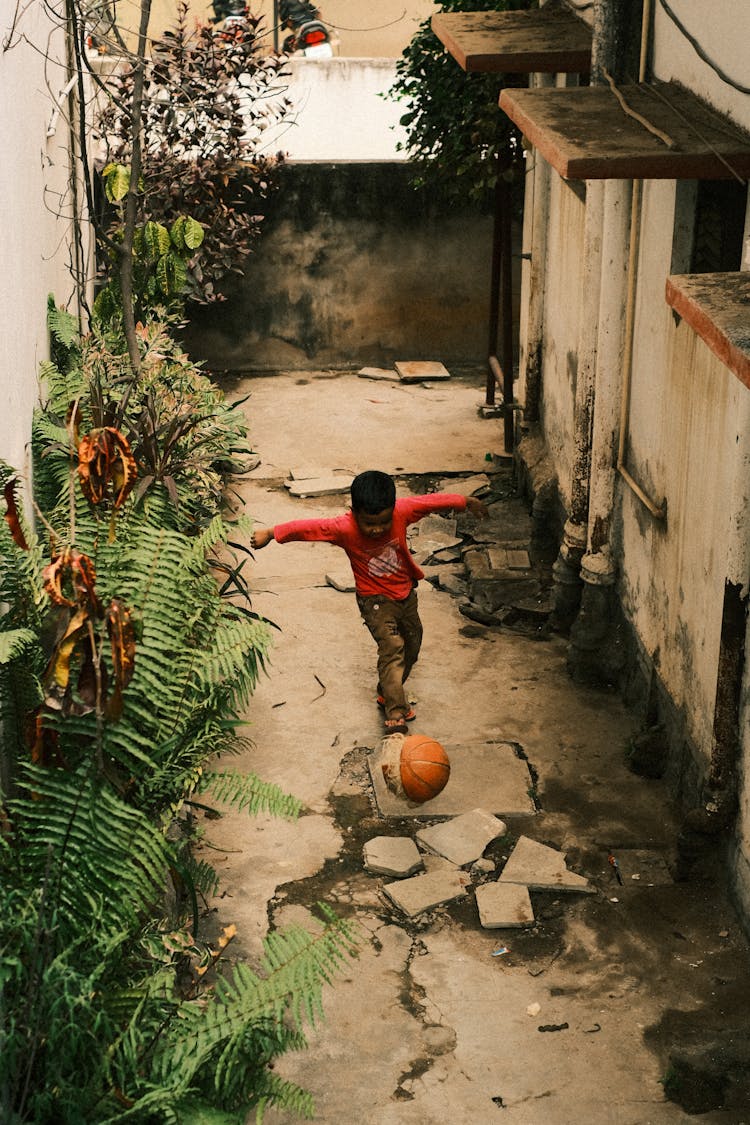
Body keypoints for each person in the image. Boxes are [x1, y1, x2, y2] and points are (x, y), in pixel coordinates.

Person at [251, 470, 488, 734]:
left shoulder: (402, 511)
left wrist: (465, 502)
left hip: (406, 596)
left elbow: (431, 502)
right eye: (369, 524)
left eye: (384, 523)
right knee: (392, 648)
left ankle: (387, 689)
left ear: (393, 509)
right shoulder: (343, 527)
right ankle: (396, 710)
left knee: (412, 646)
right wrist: (272, 532)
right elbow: (308, 528)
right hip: (374, 602)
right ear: (354, 512)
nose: (376, 530)